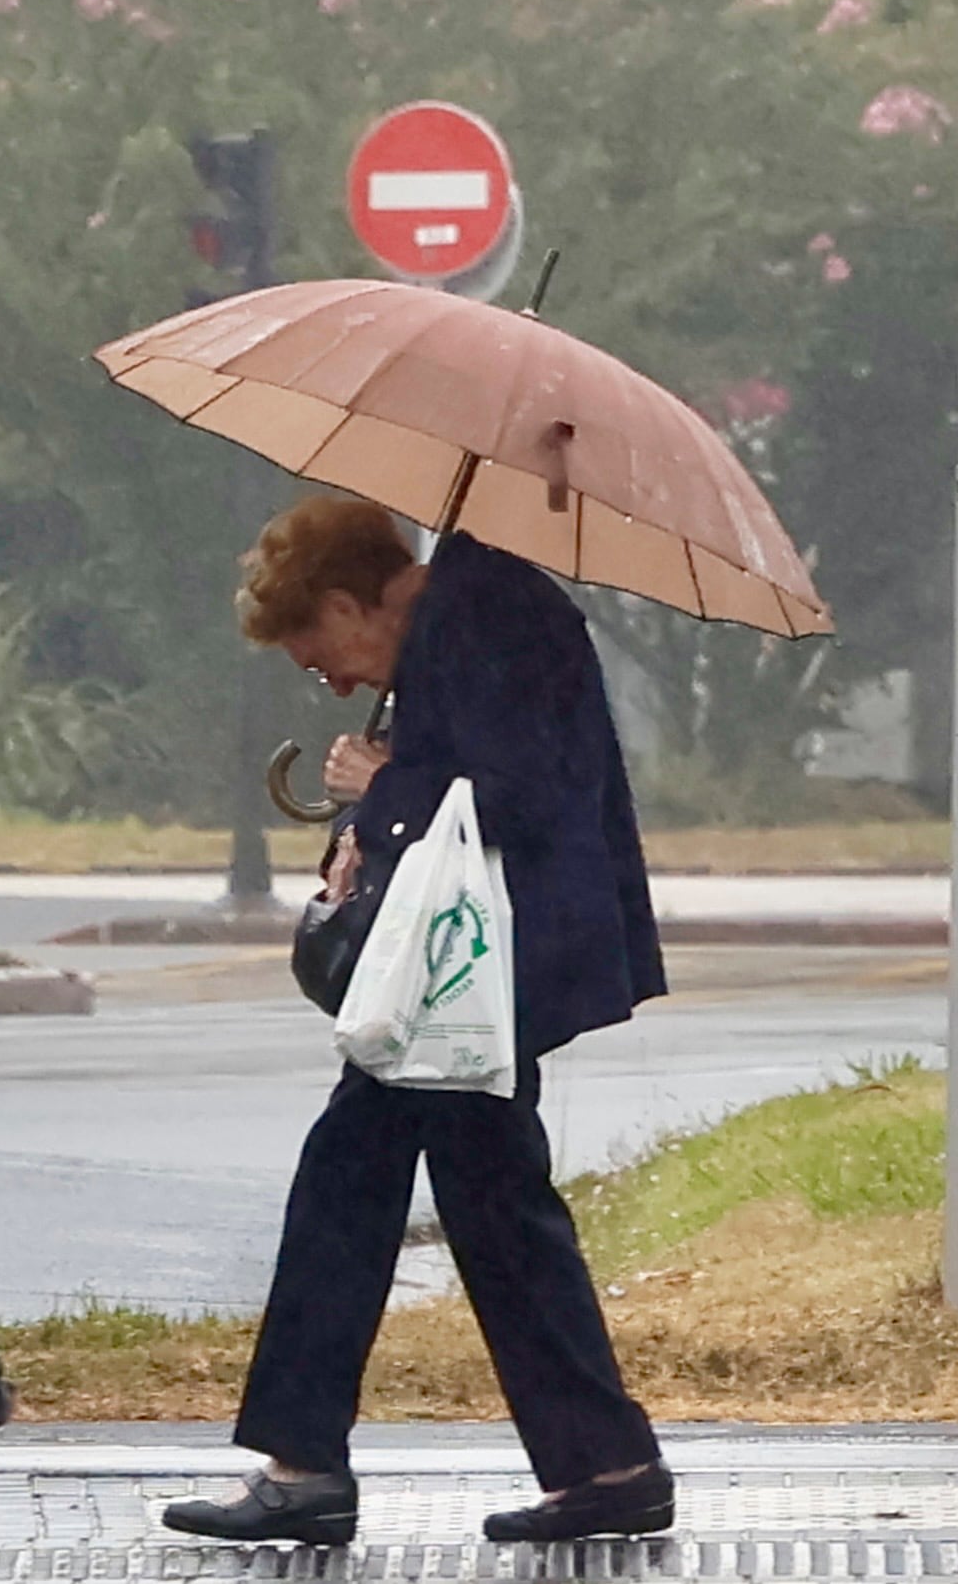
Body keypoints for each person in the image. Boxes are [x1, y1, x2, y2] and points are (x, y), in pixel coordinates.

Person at [162, 495, 670, 1549]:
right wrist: (377, 813)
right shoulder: (469, 611)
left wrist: (385, 787)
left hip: (479, 970)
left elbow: (528, 798)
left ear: (351, 602)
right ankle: (605, 1465)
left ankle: (307, 1469)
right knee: (490, 1205)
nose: (332, 679)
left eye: (319, 654)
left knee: (361, 1183)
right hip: (476, 970)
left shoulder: (485, 617)